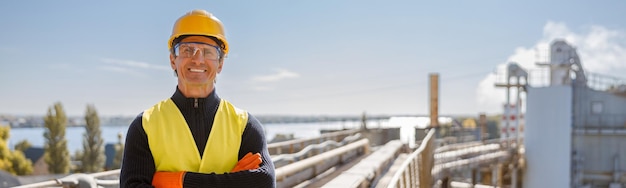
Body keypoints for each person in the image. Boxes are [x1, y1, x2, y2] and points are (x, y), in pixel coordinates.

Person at [120, 9, 276, 188]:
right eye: (187, 50)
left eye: (208, 52)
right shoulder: (144, 126)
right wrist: (232, 181)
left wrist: (179, 181)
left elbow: (264, 182)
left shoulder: (245, 125)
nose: (197, 59)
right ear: (173, 60)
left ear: (220, 64)